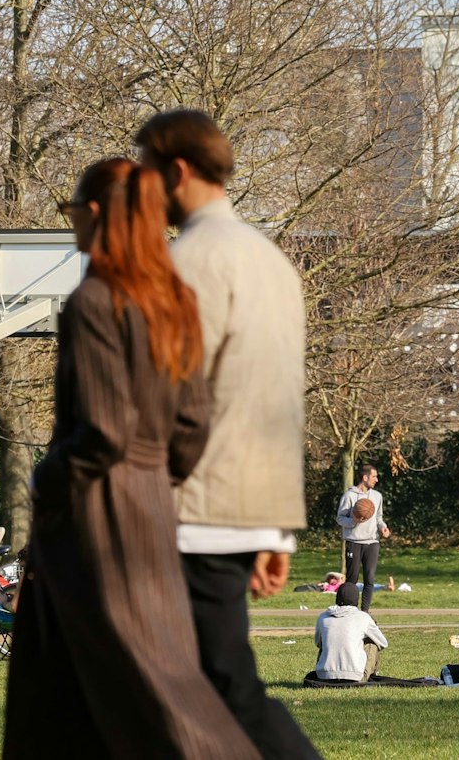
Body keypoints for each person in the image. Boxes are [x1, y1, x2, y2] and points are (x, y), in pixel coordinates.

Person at [3, 156, 256, 759]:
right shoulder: (176, 301)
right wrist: (152, 479)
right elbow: (194, 425)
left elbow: (103, 431)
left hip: (92, 519)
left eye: (74, 214)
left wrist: (48, 476)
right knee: (93, 686)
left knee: (139, 688)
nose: (72, 228)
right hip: (150, 509)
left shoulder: (96, 299)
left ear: (98, 215)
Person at [138, 109, 313, 760]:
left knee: (217, 686)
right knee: (200, 687)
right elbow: (276, 403)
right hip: (243, 506)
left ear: (176, 171)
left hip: (195, 507)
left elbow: (169, 396)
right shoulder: (271, 262)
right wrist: (273, 530)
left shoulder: (187, 262)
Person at [337, 464, 389, 611]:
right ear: (365, 477)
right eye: (374, 476)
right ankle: (348, 610)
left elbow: (379, 517)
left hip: (372, 542)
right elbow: (340, 518)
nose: (377, 480)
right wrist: (353, 521)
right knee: (351, 580)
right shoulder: (349, 496)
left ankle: (365, 612)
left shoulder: (377, 496)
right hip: (354, 542)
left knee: (370, 579)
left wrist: (383, 527)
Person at [313, 583, 388, 683]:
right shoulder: (363, 617)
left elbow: (318, 643)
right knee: (372, 641)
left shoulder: (323, 617)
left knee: (326, 641)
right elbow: (383, 643)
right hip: (355, 677)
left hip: (323, 676)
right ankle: (369, 674)